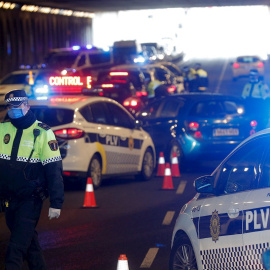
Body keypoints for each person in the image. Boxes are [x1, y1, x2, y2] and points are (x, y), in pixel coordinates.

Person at [0, 89, 64, 269]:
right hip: (9, 200)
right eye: (10, 106)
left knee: (15, 249)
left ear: (27, 106)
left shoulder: (42, 132)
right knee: (31, 247)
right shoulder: (2, 129)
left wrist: (56, 202)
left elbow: (54, 170)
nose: (13, 110)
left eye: (17, 106)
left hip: (30, 201)